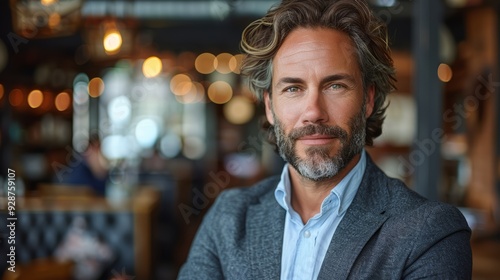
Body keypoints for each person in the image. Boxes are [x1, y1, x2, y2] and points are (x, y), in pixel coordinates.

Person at [178, 0, 472, 279]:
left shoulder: (429, 232)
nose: (314, 113)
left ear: (367, 100)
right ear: (269, 106)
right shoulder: (229, 217)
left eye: (334, 85)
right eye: (293, 88)